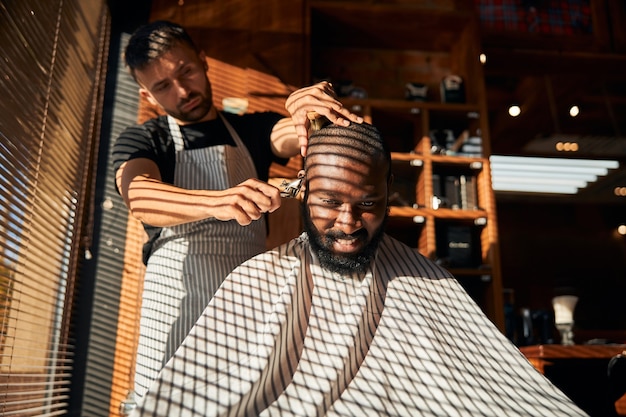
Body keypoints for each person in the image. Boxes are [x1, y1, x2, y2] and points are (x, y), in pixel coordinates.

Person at [132, 122, 587, 416]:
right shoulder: (254, 281)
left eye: (367, 204)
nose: (348, 224)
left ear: (390, 189)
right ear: (304, 191)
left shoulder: (426, 281)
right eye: (329, 202)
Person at [112, 20, 363, 400]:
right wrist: (217, 201)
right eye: (163, 86)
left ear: (202, 60)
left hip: (245, 296)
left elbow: (289, 135)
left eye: (186, 72)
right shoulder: (146, 140)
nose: (182, 91)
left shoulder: (252, 130)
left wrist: (306, 109)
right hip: (176, 299)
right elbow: (140, 197)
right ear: (148, 95)